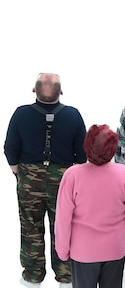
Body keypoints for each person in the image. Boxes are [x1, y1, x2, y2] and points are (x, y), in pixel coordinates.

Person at [4, 72, 87, 288]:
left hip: (28, 181)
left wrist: (20, 174)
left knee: (30, 226)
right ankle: (65, 276)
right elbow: (82, 154)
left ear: (34, 91)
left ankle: (32, 276)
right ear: (61, 91)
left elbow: (10, 149)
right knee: (63, 226)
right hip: (63, 182)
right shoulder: (73, 115)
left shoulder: (21, 114)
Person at [55, 124, 125, 288]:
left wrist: (62, 249)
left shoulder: (72, 176)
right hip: (115, 248)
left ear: (86, 145)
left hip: (83, 251)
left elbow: (63, 218)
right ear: (114, 149)